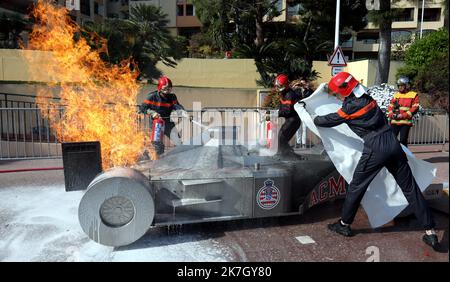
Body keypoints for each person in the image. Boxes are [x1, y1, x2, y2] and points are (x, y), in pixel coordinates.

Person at [312, 72, 439, 251]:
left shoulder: (350, 107)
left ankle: (344, 224)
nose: (338, 95)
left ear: (345, 91)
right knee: (410, 188)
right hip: (393, 145)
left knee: (357, 186)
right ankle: (430, 231)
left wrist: (312, 117)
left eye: (338, 92)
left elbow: (329, 120)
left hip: (376, 148)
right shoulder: (366, 98)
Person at [139, 76, 186, 155]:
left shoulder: (172, 97)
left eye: (169, 89)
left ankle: (181, 159)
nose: (167, 91)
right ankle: (156, 161)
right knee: (158, 146)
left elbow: (176, 106)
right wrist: (152, 113)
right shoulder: (152, 97)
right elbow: (142, 108)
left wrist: (182, 112)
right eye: (165, 89)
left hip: (168, 123)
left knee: (178, 142)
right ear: (160, 88)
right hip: (156, 123)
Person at [387, 76, 419, 147]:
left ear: (407, 86)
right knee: (392, 140)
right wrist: (391, 114)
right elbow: (390, 106)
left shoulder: (413, 95)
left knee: (403, 141)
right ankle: (393, 156)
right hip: (394, 121)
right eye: (399, 86)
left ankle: (404, 157)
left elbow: (415, 108)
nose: (400, 87)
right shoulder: (396, 95)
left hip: (405, 122)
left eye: (402, 86)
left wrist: (403, 115)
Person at [275, 74, 302, 155]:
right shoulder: (284, 93)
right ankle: (284, 154)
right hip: (290, 120)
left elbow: (287, 111)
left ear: (285, 85)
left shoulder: (289, 94)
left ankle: (285, 155)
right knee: (282, 138)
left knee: (281, 137)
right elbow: (282, 107)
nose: (278, 88)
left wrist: (276, 113)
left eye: (280, 86)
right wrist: (275, 111)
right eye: (277, 86)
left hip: (293, 120)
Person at [291, 78, 314, 148]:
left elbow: (312, 96)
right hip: (298, 111)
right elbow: (292, 95)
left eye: (303, 83)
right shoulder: (297, 90)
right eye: (301, 83)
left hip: (305, 110)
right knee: (298, 127)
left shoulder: (309, 91)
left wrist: (308, 88)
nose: (302, 85)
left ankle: (304, 143)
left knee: (305, 127)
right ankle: (298, 142)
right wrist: (294, 86)